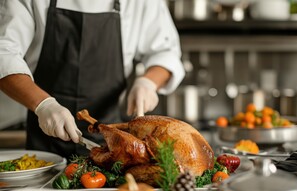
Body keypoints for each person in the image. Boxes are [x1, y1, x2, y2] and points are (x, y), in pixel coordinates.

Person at [0, 0, 185, 158]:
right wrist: (43, 105)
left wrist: (148, 82)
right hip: (44, 143)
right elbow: (3, 52)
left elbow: (165, 51)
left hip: (113, 144)